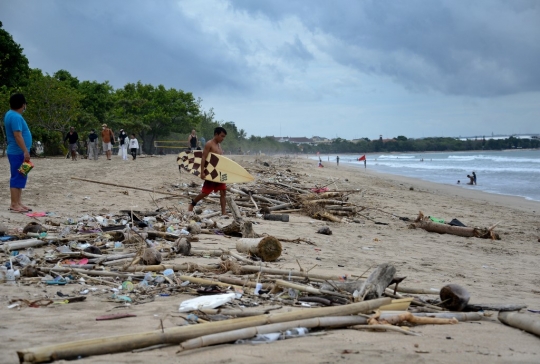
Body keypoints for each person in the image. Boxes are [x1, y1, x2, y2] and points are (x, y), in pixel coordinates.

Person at [188, 127, 227, 215]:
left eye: (224, 137)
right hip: (211, 172)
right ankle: (193, 203)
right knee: (206, 192)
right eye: (222, 136)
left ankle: (224, 212)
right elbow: (203, 157)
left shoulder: (219, 145)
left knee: (223, 191)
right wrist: (202, 172)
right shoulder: (209, 144)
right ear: (216, 134)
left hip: (219, 172)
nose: (223, 138)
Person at [5, 93, 32, 213]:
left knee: (22, 175)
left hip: (19, 152)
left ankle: (18, 202)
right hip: (17, 152)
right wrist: (25, 151)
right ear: (23, 105)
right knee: (17, 176)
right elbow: (17, 135)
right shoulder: (15, 116)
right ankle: (14, 203)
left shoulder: (11, 114)